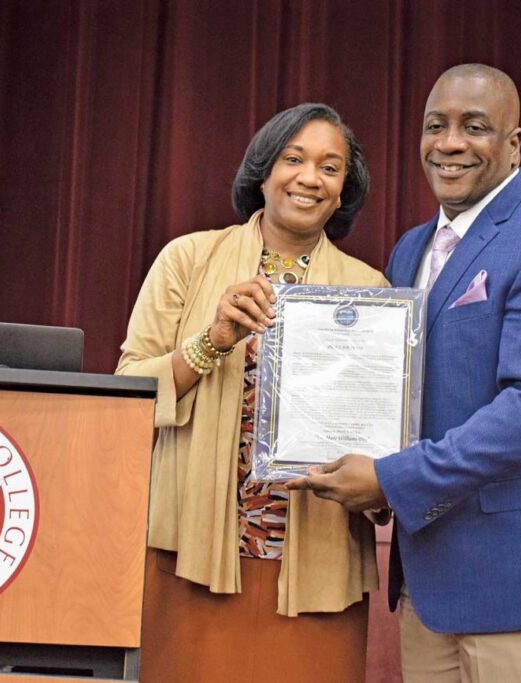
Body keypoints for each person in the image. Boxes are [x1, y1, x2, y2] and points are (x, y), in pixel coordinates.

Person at [288, 64, 521, 682]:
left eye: (474, 127)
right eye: (436, 126)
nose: (450, 143)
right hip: (434, 574)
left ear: (513, 144)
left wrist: (392, 477)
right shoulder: (409, 249)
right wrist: (366, 464)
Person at [115, 103, 387, 682]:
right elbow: (125, 398)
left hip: (316, 571)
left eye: (330, 167)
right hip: (190, 555)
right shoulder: (187, 260)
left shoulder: (371, 291)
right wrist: (211, 341)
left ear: (344, 192)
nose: (310, 178)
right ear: (263, 171)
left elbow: (383, 438)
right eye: (294, 159)